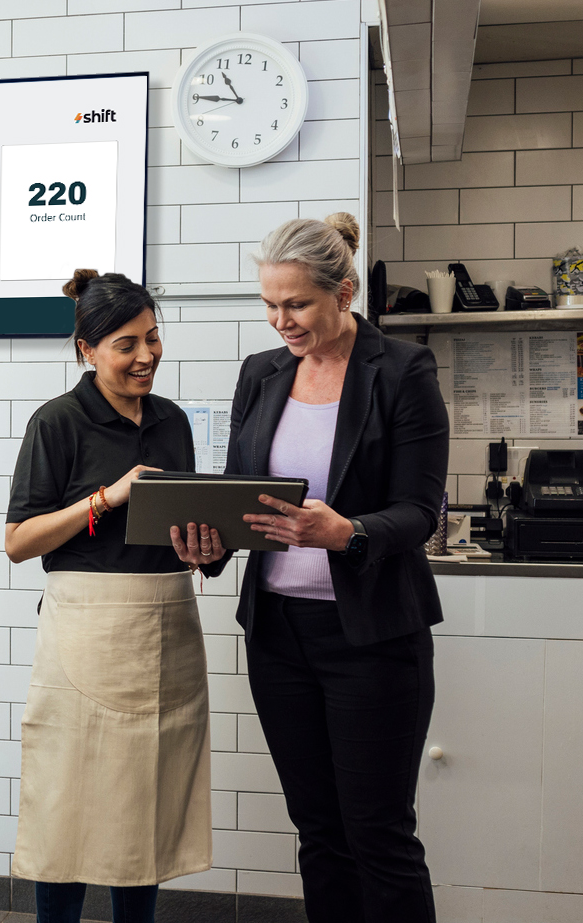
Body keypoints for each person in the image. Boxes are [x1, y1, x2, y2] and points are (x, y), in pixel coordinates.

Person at [172, 214, 449, 923]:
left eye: (296, 303)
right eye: (270, 304)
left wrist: (347, 531)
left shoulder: (403, 369)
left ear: (344, 291)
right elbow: (243, 496)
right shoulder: (261, 374)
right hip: (279, 636)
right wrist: (213, 546)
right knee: (319, 831)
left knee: (378, 833)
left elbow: (420, 510)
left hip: (372, 639)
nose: (281, 320)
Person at [5, 269, 211, 923]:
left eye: (153, 338)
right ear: (87, 349)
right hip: (85, 636)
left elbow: (184, 520)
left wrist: (208, 546)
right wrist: (108, 495)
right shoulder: (58, 423)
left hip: (167, 628)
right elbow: (19, 540)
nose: (146, 355)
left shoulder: (173, 422)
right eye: (127, 343)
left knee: (143, 812)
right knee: (68, 810)